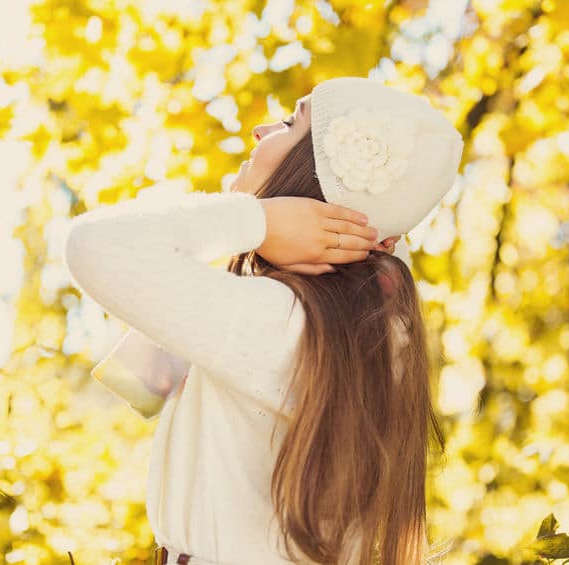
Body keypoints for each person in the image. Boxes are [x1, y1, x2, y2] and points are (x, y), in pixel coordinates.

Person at [64, 77, 463, 565]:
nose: (258, 129)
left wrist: (256, 220)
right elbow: (139, 379)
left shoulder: (283, 322)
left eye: (291, 121)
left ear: (315, 177)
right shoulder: (348, 327)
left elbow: (92, 247)